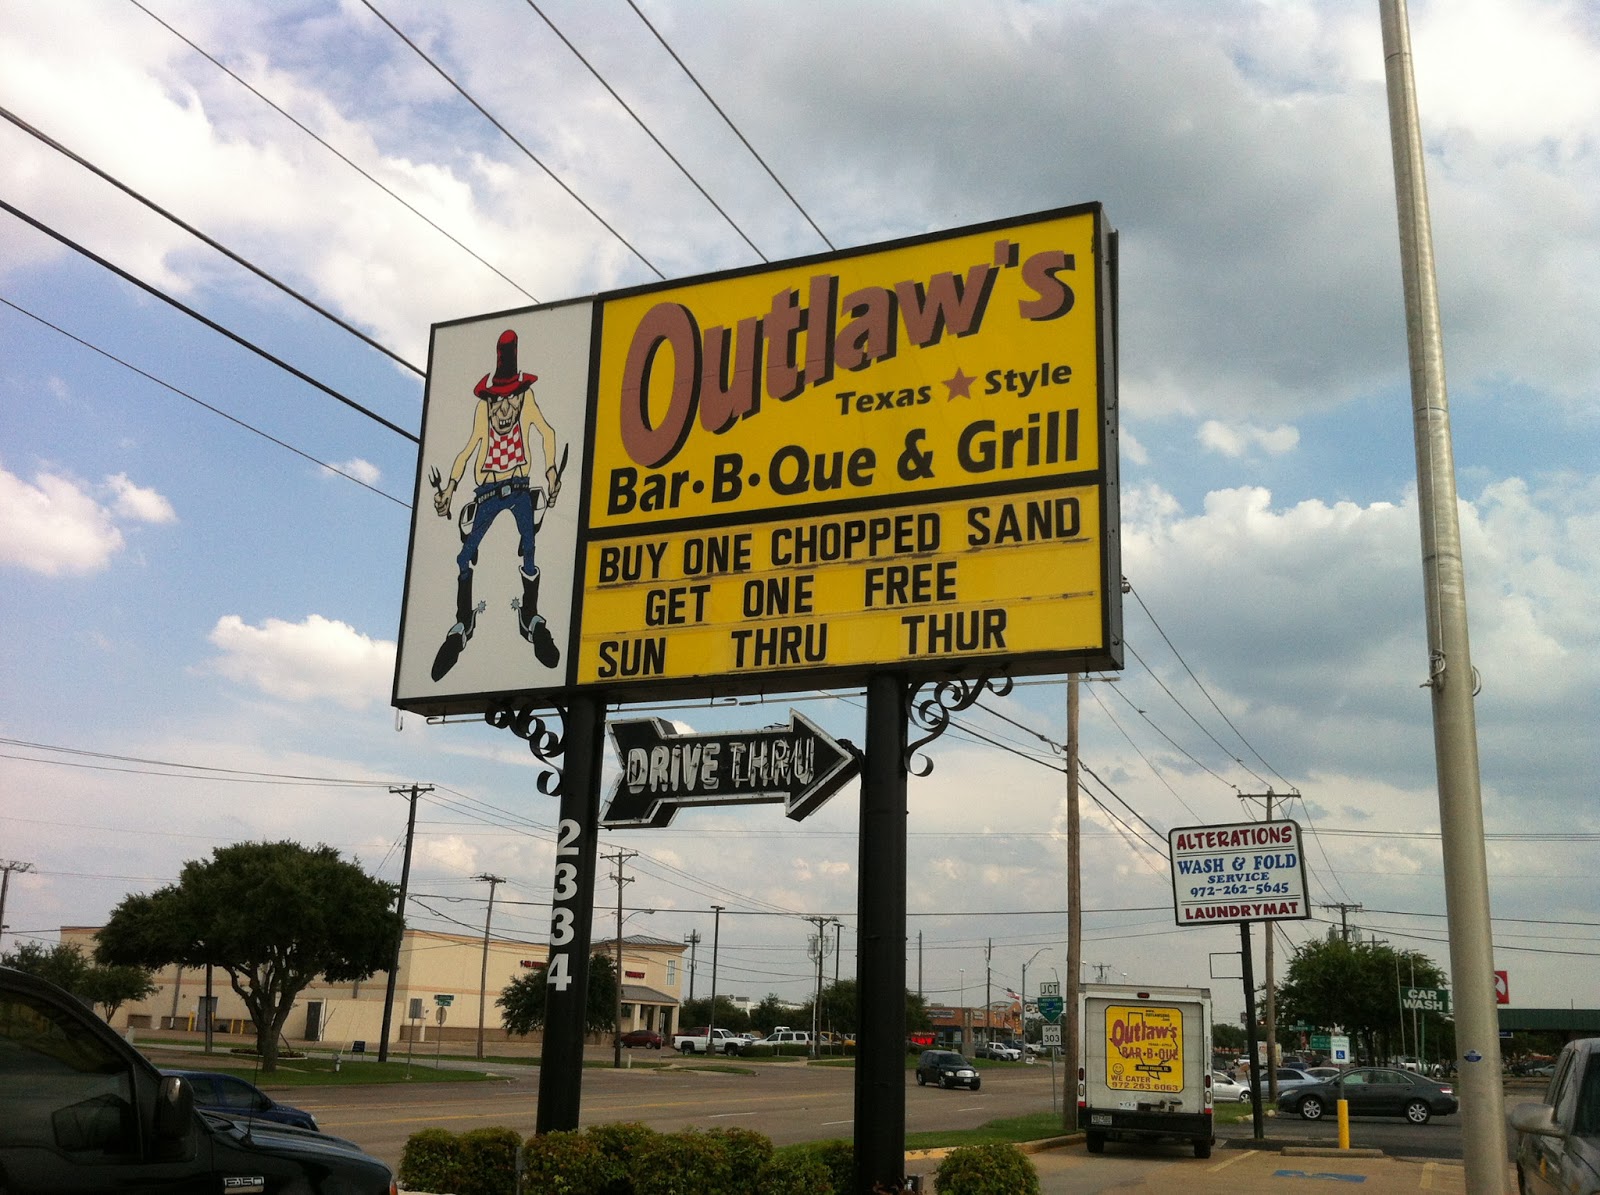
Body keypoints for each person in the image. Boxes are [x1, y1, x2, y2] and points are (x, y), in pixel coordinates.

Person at [430, 329, 562, 680]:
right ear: (489, 400)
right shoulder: (482, 411)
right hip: (486, 492)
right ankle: (461, 624)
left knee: (529, 551)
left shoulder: (527, 402)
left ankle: (531, 618)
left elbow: (546, 432)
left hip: (519, 488)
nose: (504, 410)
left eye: (511, 400)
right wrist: (450, 489)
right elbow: (468, 448)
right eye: (497, 401)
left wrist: (550, 471)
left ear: (520, 396)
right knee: (465, 555)